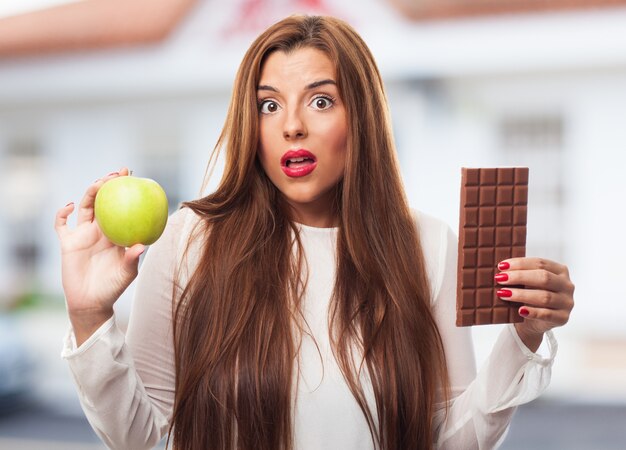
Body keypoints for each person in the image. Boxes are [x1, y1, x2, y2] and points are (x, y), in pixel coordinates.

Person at [54, 15, 574, 450]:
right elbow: (144, 439)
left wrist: (523, 338)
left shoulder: (428, 245)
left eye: (321, 101)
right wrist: (89, 314)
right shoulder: (190, 240)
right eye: (269, 104)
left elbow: (449, 441)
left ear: (362, 118)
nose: (292, 125)